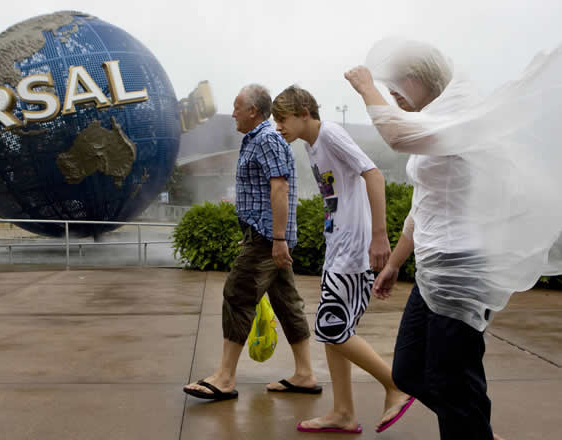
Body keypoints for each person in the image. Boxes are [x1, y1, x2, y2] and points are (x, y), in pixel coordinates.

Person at [345, 37, 562, 440]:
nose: (392, 97)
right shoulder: (433, 124)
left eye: (396, 87)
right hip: (431, 271)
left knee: (453, 381)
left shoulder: (462, 120)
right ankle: (473, 427)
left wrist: (366, 87)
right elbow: (420, 208)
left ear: (420, 79)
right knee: (408, 372)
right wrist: (394, 264)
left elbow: (395, 136)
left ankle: (470, 427)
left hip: (463, 270)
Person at [272, 85, 414, 434]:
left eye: (283, 119)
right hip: (338, 247)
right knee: (334, 331)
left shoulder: (331, 134)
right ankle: (343, 412)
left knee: (332, 329)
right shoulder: (311, 145)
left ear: (305, 112)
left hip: (353, 251)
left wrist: (379, 236)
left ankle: (395, 386)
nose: (278, 127)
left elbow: (374, 174)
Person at [184, 84, 321, 401]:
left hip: (266, 237)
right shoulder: (258, 140)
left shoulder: (267, 140)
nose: (232, 113)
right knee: (286, 303)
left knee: (237, 293)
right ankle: (305, 374)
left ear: (253, 111)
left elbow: (280, 189)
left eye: (236, 106)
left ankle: (225, 378)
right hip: (263, 234)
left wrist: (277, 239)